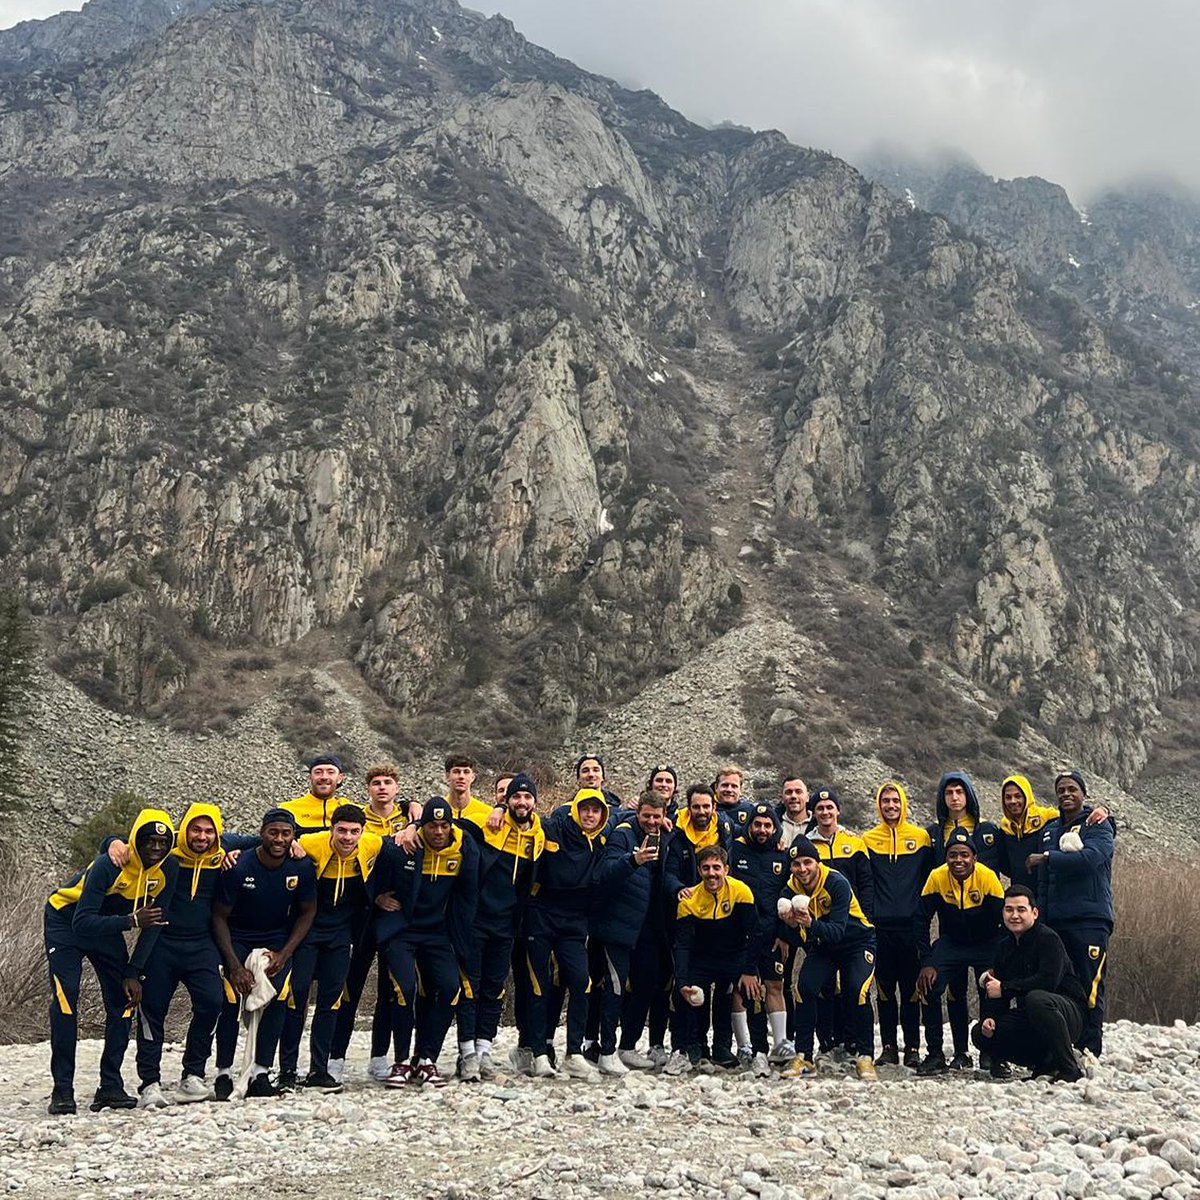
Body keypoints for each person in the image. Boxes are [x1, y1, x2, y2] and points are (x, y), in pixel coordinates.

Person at [111, 803, 257, 1107]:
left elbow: (259, 839)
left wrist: (294, 843)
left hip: (201, 945)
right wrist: (111, 842)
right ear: (184, 829)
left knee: (212, 1002)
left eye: (208, 831)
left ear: (217, 833)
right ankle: (149, 1082)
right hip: (162, 944)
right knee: (153, 1011)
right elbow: (132, 842)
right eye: (196, 829)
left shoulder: (223, 849)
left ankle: (192, 1074)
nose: (202, 836)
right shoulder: (167, 850)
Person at [45, 809, 178, 1114]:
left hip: (108, 926)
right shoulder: (111, 864)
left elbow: (154, 925)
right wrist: (131, 921)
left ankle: (110, 1086)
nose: (156, 849)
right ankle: (62, 1090)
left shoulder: (168, 869)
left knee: (125, 998)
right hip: (67, 921)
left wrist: (133, 970)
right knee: (66, 1001)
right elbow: (82, 923)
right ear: (136, 840)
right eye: (149, 841)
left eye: (163, 842)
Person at [211, 809, 318, 1099]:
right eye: (274, 832)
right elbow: (219, 916)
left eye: (286, 833)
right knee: (231, 999)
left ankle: (260, 1071)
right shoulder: (238, 865)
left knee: (278, 997)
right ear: (262, 833)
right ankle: (223, 1072)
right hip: (237, 938)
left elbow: (308, 912)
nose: (279, 839)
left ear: (293, 836)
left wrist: (284, 954)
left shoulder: (302, 866)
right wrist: (234, 966)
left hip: (277, 939)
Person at [372, 801, 479, 1087]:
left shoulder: (463, 849)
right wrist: (377, 898)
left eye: (445, 826)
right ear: (423, 826)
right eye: (433, 825)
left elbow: (469, 891)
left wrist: (463, 939)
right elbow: (372, 871)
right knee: (404, 989)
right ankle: (402, 1060)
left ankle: (426, 1059)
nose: (439, 832)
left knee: (450, 989)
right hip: (402, 931)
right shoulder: (403, 847)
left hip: (437, 933)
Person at [280, 804, 383, 1093]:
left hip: (341, 935)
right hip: (308, 931)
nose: (348, 838)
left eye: (354, 832)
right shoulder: (312, 842)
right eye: (341, 831)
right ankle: (287, 1069)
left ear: (362, 832)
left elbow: (395, 843)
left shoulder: (372, 843)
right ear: (331, 829)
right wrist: (294, 845)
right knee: (295, 997)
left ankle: (319, 1069)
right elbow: (271, 840)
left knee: (331, 1001)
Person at [459, 772, 545, 1080]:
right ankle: (466, 1052)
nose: (521, 802)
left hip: (507, 923)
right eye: (515, 797)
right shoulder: (488, 825)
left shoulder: (539, 837)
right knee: (471, 986)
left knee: (495, 989)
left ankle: (484, 1050)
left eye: (527, 797)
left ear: (535, 802)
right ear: (505, 800)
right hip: (476, 919)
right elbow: (448, 823)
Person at [328, 764, 411, 1083]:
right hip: (361, 913)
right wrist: (374, 897)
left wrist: (414, 814)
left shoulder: (407, 818)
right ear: (368, 788)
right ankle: (336, 1057)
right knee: (349, 987)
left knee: (389, 991)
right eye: (375, 782)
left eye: (388, 782)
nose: (382, 787)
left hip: (394, 918)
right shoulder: (357, 819)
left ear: (397, 787)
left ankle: (379, 1057)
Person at [1028, 770, 1115, 1057]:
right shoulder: (1049, 830)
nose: (1066, 794)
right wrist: (1039, 919)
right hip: (1054, 921)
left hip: (1089, 919)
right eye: (1061, 790)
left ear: (1083, 793)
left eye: (1072, 789)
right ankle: (1062, 1048)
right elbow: (1043, 879)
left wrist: (1049, 857)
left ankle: (1090, 1050)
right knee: (1062, 983)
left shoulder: (1098, 825)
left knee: (1090, 985)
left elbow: (1091, 859)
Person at [525, 788, 609, 1080]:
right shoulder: (553, 828)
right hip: (541, 917)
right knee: (540, 985)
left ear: (602, 816)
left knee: (581, 981)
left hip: (573, 923)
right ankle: (537, 1053)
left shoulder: (599, 844)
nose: (589, 815)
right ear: (575, 809)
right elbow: (526, 820)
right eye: (584, 809)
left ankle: (574, 1052)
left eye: (595, 811)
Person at [779, 837, 878, 1081]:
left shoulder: (836, 882)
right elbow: (797, 938)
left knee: (857, 990)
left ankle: (865, 1057)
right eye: (796, 864)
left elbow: (837, 931)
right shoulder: (790, 890)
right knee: (804, 988)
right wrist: (792, 926)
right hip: (824, 946)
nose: (802, 869)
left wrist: (810, 924)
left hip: (857, 942)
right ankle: (804, 1055)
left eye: (807, 862)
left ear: (817, 862)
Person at [972, 885, 1088, 1082]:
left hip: (1068, 1013)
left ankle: (1070, 1069)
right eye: (1009, 910)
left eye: (1021, 910)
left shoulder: (1048, 939)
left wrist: (1006, 988)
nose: (1014, 915)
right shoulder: (1004, 947)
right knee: (980, 1033)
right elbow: (996, 991)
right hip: (1033, 1014)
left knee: (1037, 998)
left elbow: (1048, 982)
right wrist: (989, 1017)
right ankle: (1043, 1064)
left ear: (1034, 913)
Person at [592, 790, 671, 1074]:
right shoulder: (623, 834)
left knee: (646, 984)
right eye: (646, 815)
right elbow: (606, 873)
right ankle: (606, 1051)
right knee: (614, 987)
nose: (651, 821)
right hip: (618, 925)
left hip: (646, 927)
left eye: (657, 816)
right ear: (638, 814)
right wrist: (633, 860)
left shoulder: (664, 834)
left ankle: (627, 1045)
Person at [916, 829, 1004, 1074]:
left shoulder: (987, 878)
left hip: (986, 942)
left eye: (964, 855)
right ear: (946, 858)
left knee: (992, 990)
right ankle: (935, 1054)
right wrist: (926, 961)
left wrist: (999, 962)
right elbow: (920, 920)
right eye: (953, 855)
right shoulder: (937, 877)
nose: (959, 860)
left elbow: (1004, 924)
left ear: (974, 858)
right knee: (928, 986)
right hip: (952, 942)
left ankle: (991, 1052)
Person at [860, 781, 933, 1068]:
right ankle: (889, 1046)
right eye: (885, 801)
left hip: (911, 925)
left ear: (904, 803)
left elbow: (930, 879)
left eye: (895, 801)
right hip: (880, 926)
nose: (891, 806)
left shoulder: (921, 837)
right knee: (886, 989)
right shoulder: (868, 839)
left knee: (912, 989)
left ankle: (913, 1047)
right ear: (878, 805)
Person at [661, 783, 732, 1074]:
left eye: (706, 806)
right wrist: (679, 889)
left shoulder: (725, 831)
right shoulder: (676, 834)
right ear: (688, 808)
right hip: (686, 910)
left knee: (725, 985)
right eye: (696, 806)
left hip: (718, 916)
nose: (701, 812)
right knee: (687, 981)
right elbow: (667, 871)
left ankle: (722, 1047)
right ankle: (687, 1045)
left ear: (714, 808)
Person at [673, 845, 760, 1072]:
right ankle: (695, 1046)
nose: (711, 873)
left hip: (734, 956)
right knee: (693, 996)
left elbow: (756, 934)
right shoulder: (688, 900)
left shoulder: (741, 891)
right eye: (706, 868)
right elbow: (682, 944)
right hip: (702, 958)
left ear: (727, 869)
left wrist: (750, 971)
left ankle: (733, 1047)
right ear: (699, 871)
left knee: (742, 993)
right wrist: (682, 982)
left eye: (716, 868)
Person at [727, 803, 791, 1073]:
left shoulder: (783, 856)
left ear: (775, 828)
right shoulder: (736, 849)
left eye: (768, 825)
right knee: (741, 990)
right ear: (749, 826)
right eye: (758, 824)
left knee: (775, 986)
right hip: (740, 934)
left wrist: (786, 934)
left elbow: (789, 895)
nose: (762, 830)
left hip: (772, 934)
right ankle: (744, 1046)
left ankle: (780, 1044)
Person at [926, 771, 1002, 873]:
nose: (954, 798)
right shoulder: (934, 832)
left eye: (959, 792)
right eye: (949, 793)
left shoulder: (987, 829)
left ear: (968, 794)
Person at [995, 775, 1059, 890]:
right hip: (1022, 894)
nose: (1013, 801)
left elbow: (1074, 814)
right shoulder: (1005, 828)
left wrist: (1098, 811)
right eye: (1008, 797)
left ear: (1027, 797)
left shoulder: (1048, 818)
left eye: (1018, 796)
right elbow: (1005, 865)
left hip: (1049, 891)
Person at [283, 754, 352, 834]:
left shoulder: (351, 810)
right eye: (318, 772)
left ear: (340, 778)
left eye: (330, 772)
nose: (324, 777)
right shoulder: (288, 810)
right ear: (310, 777)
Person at [714, 765, 755, 831]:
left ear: (741, 790)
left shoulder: (750, 811)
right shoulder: (706, 810)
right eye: (725, 785)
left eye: (734, 786)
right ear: (716, 787)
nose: (729, 790)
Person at [776, 777, 811, 848]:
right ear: (781, 798)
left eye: (798, 792)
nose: (793, 796)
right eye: (789, 792)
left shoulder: (818, 826)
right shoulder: (773, 826)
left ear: (807, 797)